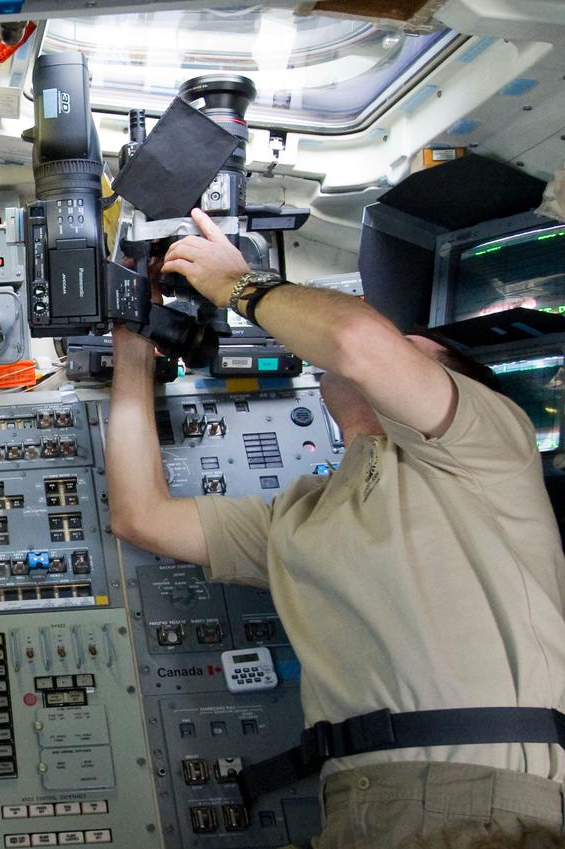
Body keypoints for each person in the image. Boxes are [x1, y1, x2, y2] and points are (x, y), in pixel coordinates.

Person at [106, 209, 565, 848]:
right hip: (358, 802)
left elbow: (357, 342)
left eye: (409, 342)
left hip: (481, 800)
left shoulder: (487, 444)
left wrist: (239, 285)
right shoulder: (305, 513)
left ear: (448, 379)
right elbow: (141, 514)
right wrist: (131, 348)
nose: (389, 341)